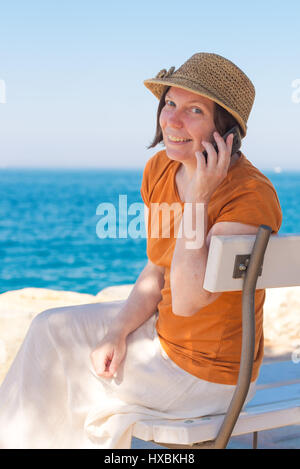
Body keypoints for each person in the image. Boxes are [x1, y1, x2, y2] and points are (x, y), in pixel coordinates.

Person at [0, 53, 282, 449]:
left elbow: (185, 301)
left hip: (211, 375)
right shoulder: (160, 170)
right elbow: (157, 270)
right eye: (170, 104)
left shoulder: (249, 196)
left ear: (226, 131)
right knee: (46, 327)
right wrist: (116, 331)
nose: (173, 120)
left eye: (195, 110)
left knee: (58, 381)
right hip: (165, 339)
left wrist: (198, 200)